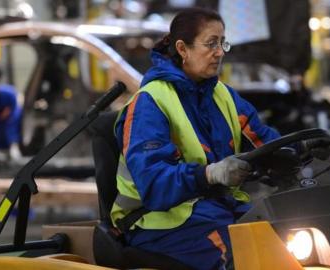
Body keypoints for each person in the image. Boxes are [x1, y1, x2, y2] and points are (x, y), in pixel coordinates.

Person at [111, 8, 281, 270]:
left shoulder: (223, 96)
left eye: (222, 42)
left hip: (214, 211)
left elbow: (265, 141)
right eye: (211, 43)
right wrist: (210, 174)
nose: (220, 52)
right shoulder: (150, 103)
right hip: (157, 222)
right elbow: (154, 184)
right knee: (241, 258)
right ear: (183, 49)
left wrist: (299, 147)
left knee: (281, 236)